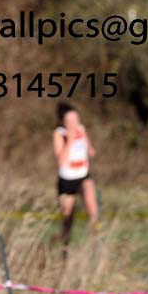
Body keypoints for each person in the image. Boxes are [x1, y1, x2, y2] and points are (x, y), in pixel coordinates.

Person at [53, 103, 98, 254]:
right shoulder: (59, 134)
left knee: (92, 206)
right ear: (63, 122)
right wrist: (70, 140)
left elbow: (91, 152)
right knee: (67, 219)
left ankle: (94, 241)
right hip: (66, 180)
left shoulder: (82, 129)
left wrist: (85, 140)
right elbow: (60, 160)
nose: (74, 124)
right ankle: (64, 249)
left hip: (83, 176)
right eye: (70, 121)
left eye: (76, 119)